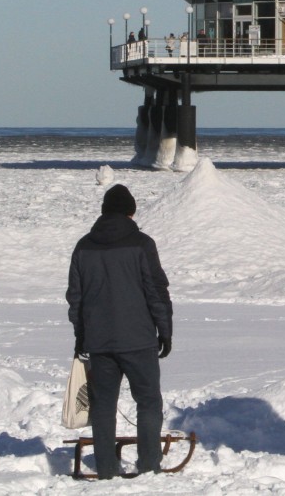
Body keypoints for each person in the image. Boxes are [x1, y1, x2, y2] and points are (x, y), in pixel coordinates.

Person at [67, 184, 173, 479]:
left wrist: (81, 336)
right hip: (138, 340)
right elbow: (156, 291)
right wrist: (165, 330)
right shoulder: (142, 244)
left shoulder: (84, 246)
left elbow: (76, 296)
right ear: (131, 212)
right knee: (149, 401)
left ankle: (106, 469)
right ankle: (150, 464)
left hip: (99, 341)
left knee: (102, 406)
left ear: (103, 212)